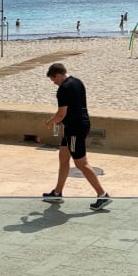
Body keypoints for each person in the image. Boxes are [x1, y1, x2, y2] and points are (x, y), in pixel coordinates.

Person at [43, 62, 111, 211]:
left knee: (81, 163)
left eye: (54, 79)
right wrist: (61, 120)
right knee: (63, 157)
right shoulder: (77, 82)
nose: (54, 83)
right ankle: (57, 192)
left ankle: (102, 194)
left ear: (58, 75)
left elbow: (61, 113)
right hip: (77, 126)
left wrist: (50, 121)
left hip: (74, 130)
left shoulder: (63, 89)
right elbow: (73, 107)